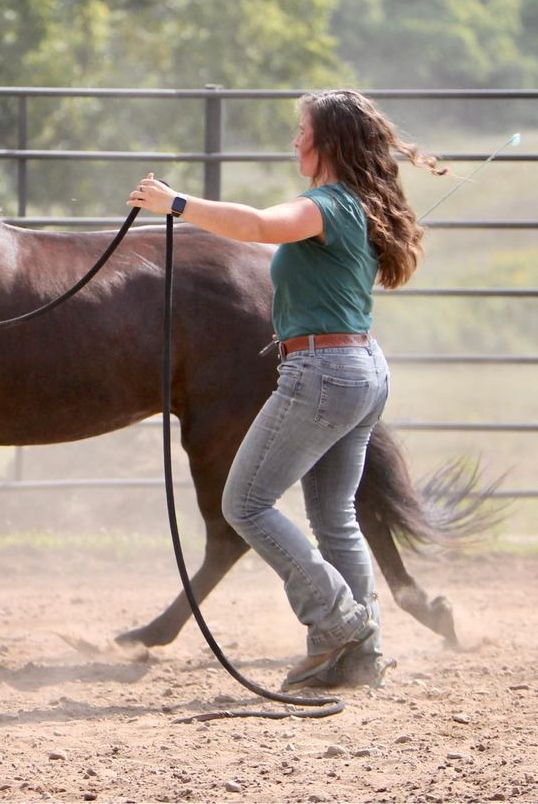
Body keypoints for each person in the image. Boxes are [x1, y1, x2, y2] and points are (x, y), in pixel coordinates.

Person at [126, 89, 446, 690]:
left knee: (244, 504)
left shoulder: (324, 205)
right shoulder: (358, 205)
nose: (295, 140)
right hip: (361, 371)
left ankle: (338, 621)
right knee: (334, 516)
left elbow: (253, 226)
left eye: (302, 130)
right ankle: (360, 655)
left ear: (329, 142)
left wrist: (177, 204)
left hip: (322, 373)